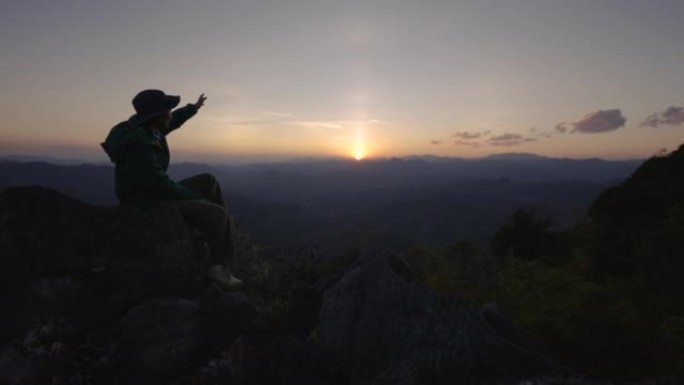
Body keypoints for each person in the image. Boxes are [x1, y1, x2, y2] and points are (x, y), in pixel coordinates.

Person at [101, 89, 243, 288]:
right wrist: (196, 199)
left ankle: (218, 231)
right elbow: (161, 186)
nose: (170, 113)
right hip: (145, 201)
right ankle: (219, 267)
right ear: (158, 116)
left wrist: (193, 108)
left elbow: (173, 120)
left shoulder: (150, 130)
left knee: (208, 181)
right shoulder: (139, 145)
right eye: (168, 110)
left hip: (154, 191)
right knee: (217, 214)